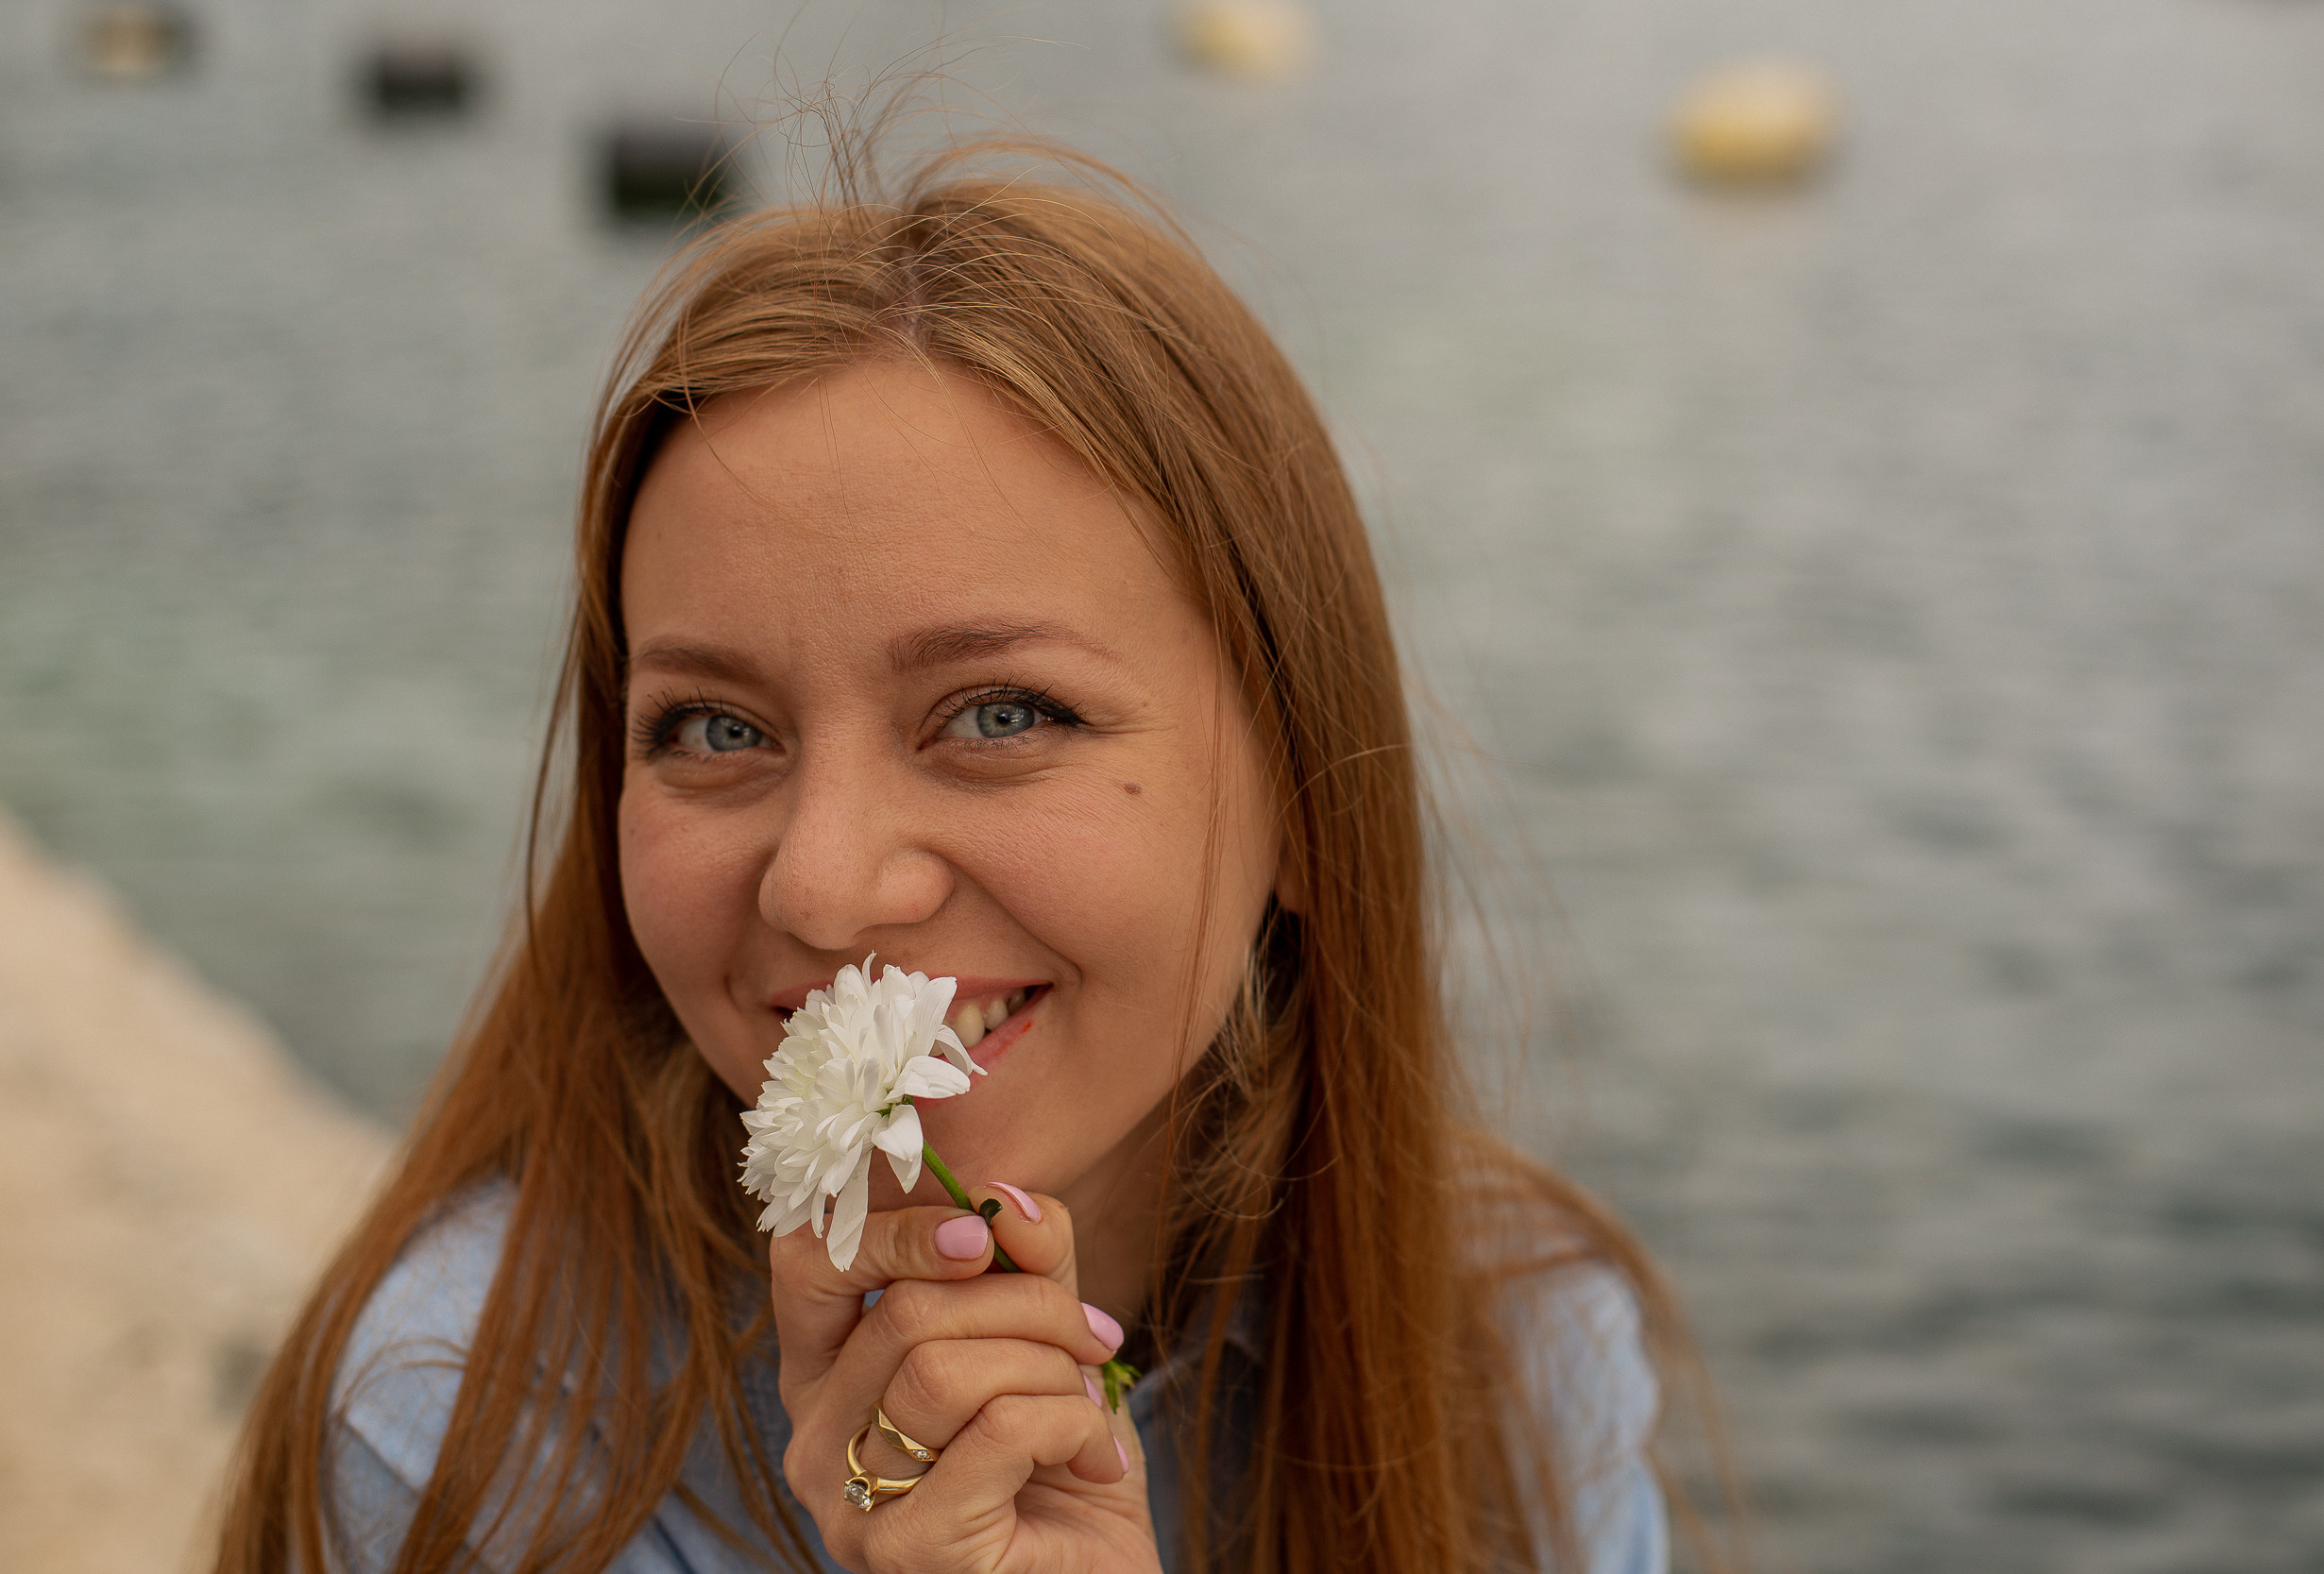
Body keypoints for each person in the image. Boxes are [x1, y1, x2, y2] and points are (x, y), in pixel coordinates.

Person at [213, 142, 1688, 1574]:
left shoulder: (1525, 1369)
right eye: (715, 731)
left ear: (1304, 796)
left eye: (999, 713)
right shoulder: (474, 1437)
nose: (825, 887)